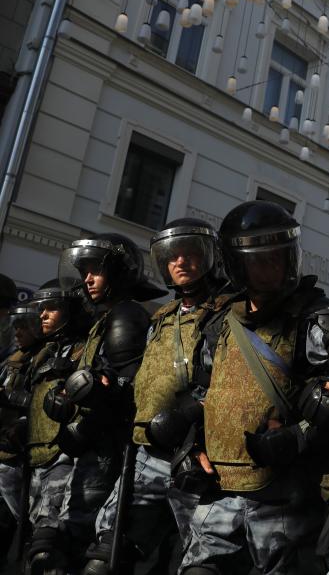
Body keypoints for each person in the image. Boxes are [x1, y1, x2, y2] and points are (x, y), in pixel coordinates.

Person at [177, 201, 329, 574]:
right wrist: (190, 447)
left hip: (288, 495)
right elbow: (202, 394)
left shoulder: (320, 318)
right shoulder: (218, 323)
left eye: (277, 257)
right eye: (258, 260)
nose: (271, 268)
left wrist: (300, 435)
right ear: (237, 265)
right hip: (220, 489)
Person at [82, 219, 225, 574]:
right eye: (173, 256)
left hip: (198, 454)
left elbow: (237, 385)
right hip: (146, 452)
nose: (180, 262)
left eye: (190, 254)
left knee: (194, 563)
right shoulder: (162, 316)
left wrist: (192, 413)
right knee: (107, 556)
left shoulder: (228, 314)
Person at [41, 233, 165, 571]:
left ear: (119, 273)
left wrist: (92, 403)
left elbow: (126, 389)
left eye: (97, 270)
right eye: (85, 271)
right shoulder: (105, 318)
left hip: (106, 450)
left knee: (77, 545)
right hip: (92, 447)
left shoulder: (125, 314)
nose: (88, 279)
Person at [12, 281, 92, 573]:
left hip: (63, 457)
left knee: (51, 545)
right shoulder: (45, 352)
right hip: (36, 456)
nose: (43, 315)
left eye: (52, 309)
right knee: (33, 541)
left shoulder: (84, 349)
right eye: (40, 309)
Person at [0, 301, 45, 561]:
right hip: (6, 449)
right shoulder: (12, 359)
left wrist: (8, 396)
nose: (17, 332)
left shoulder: (44, 356)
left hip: (20, 454)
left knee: (25, 521)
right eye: (14, 326)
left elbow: (41, 400)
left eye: (23, 327)